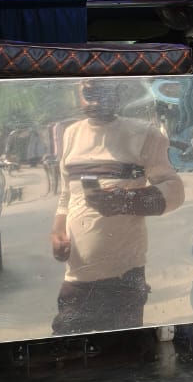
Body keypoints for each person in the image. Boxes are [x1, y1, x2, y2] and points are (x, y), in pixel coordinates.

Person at [51, 79, 184, 336]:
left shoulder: (145, 134)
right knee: (68, 347)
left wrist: (126, 200)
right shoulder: (71, 134)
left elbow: (175, 191)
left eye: (105, 92)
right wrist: (57, 232)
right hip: (77, 276)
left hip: (124, 276)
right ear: (78, 92)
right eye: (89, 93)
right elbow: (66, 194)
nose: (96, 101)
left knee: (124, 349)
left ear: (119, 92)